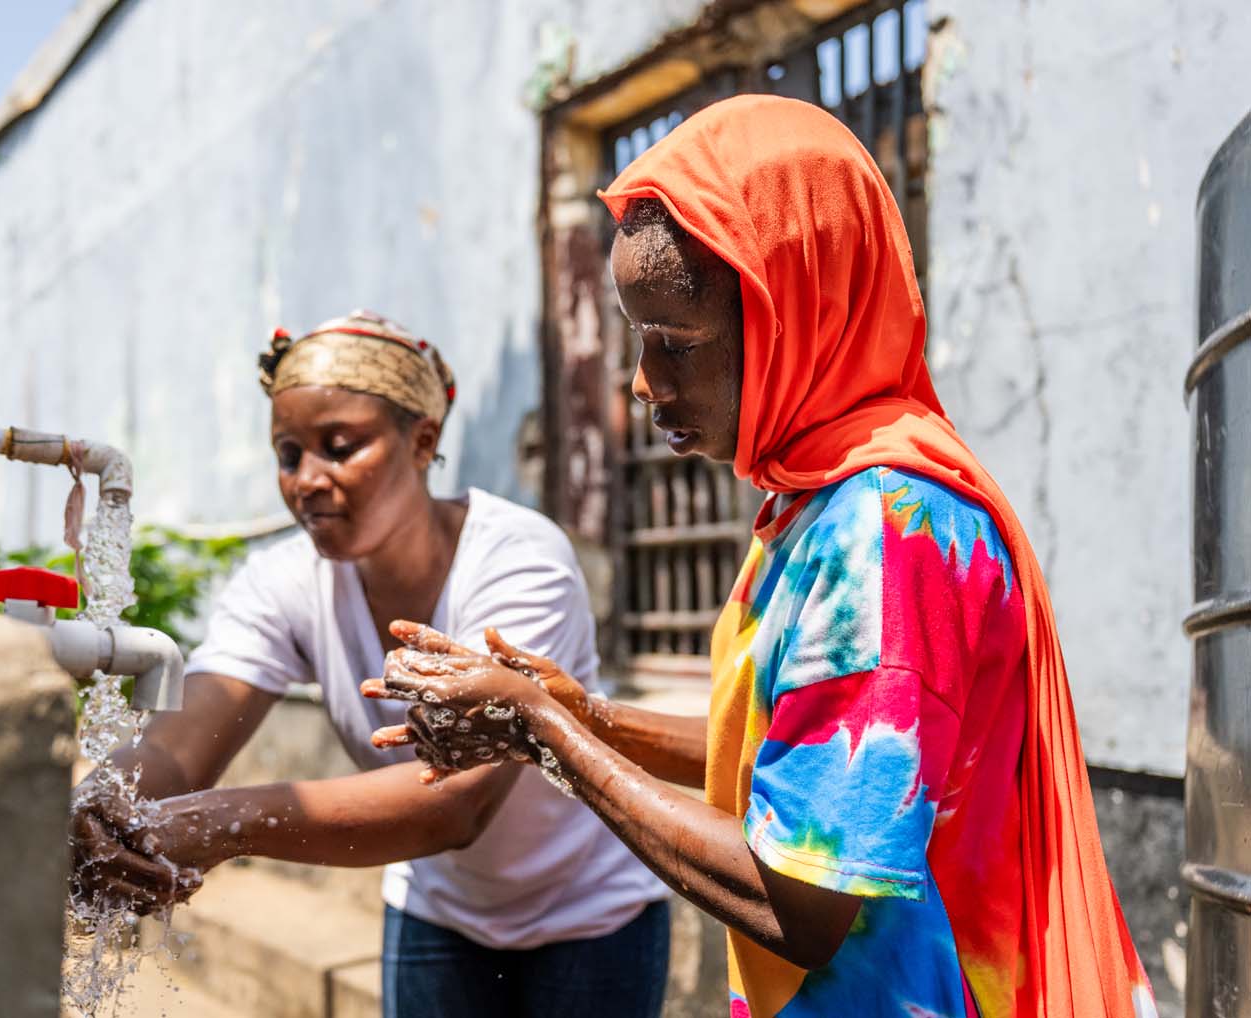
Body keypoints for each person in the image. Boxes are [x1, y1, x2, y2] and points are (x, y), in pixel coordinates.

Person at [365, 97, 1158, 1018]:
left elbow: (802, 903)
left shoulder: (881, 533)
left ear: (798, 313)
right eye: (636, 339)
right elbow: (809, 759)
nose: (642, 382)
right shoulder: (817, 504)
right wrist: (588, 714)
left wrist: (548, 732)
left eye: (676, 342)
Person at [70, 310, 672, 1018]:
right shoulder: (283, 585)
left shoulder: (518, 562)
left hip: (590, 912)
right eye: (289, 454)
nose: (308, 481)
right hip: (436, 911)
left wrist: (225, 824)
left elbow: (456, 803)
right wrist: (107, 805)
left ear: (422, 441)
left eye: (340, 447)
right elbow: (181, 744)